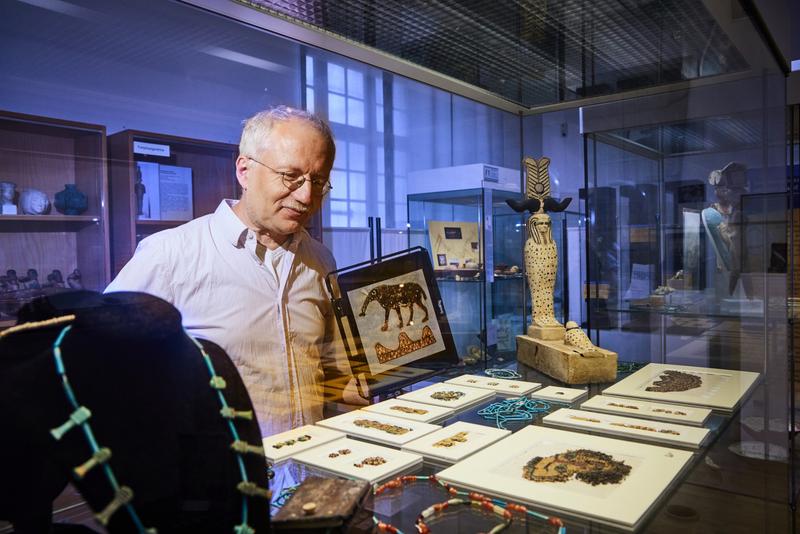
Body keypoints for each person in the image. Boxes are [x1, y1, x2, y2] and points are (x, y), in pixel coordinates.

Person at [106, 106, 367, 436]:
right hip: (222, 481)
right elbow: (102, 362)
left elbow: (327, 367)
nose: (306, 196)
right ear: (244, 171)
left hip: (310, 472)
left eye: (317, 181)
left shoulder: (320, 260)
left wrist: (353, 387)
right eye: (290, 176)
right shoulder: (170, 256)